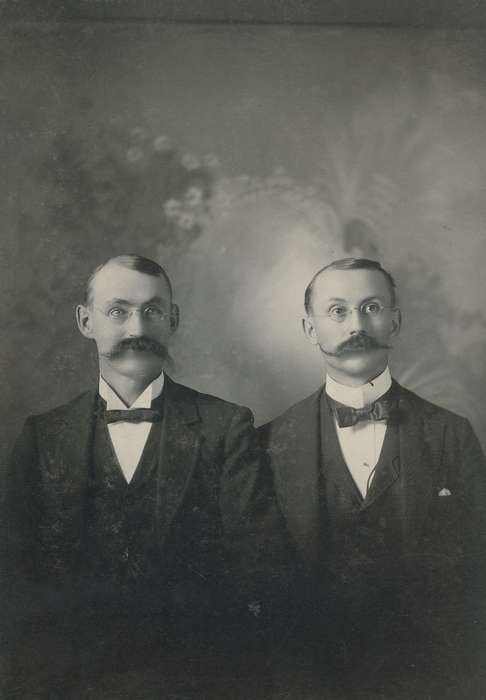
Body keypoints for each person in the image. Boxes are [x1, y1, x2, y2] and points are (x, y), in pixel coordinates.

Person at [2, 254, 287, 698]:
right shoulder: (44, 436)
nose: (136, 328)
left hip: (196, 679)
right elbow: (15, 578)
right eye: (118, 311)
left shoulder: (225, 426)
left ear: (172, 319)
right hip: (68, 681)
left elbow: (257, 564)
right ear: (85, 321)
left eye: (152, 311)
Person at [259, 257, 486, 698]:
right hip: (307, 679)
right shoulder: (267, 442)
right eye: (338, 311)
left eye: (372, 307)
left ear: (395, 321)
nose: (356, 324)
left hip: (429, 678)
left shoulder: (451, 433)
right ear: (310, 329)